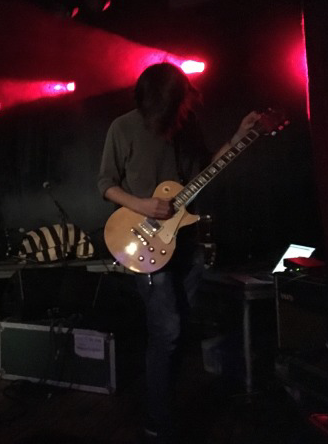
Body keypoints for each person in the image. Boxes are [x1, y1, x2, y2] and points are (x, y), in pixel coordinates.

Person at [97, 62, 260, 443]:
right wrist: (142, 205)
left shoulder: (187, 126)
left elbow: (206, 168)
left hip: (185, 242)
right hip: (144, 240)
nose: (184, 110)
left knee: (179, 328)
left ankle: (164, 405)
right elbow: (105, 184)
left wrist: (239, 136)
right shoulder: (123, 127)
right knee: (167, 330)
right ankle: (158, 422)